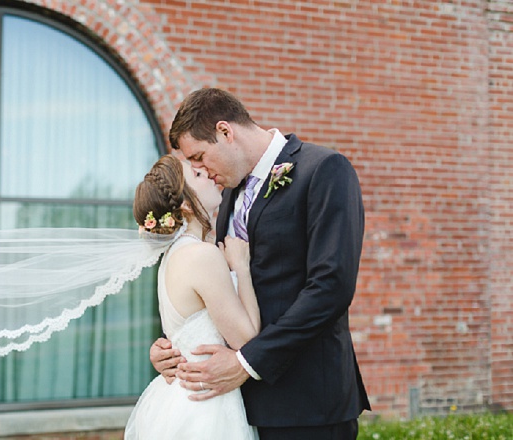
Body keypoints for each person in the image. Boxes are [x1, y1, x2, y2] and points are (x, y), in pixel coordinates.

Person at [150, 87, 371, 440]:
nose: (200, 171)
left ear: (225, 132)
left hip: (306, 405)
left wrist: (245, 362)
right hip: (233, 408)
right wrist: (171, 346)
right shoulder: (225, 197)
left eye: (200, 156)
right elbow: (215, 292)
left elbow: (331, 287)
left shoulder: (323, 170)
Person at [124, 154, 260, 439]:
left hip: (177, 399)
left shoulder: (174, 255)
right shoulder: (202, 255)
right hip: (205, 406)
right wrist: (242, 268)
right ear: (185, 204)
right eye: (197, 176)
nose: (208, 174)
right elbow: (246, 340)